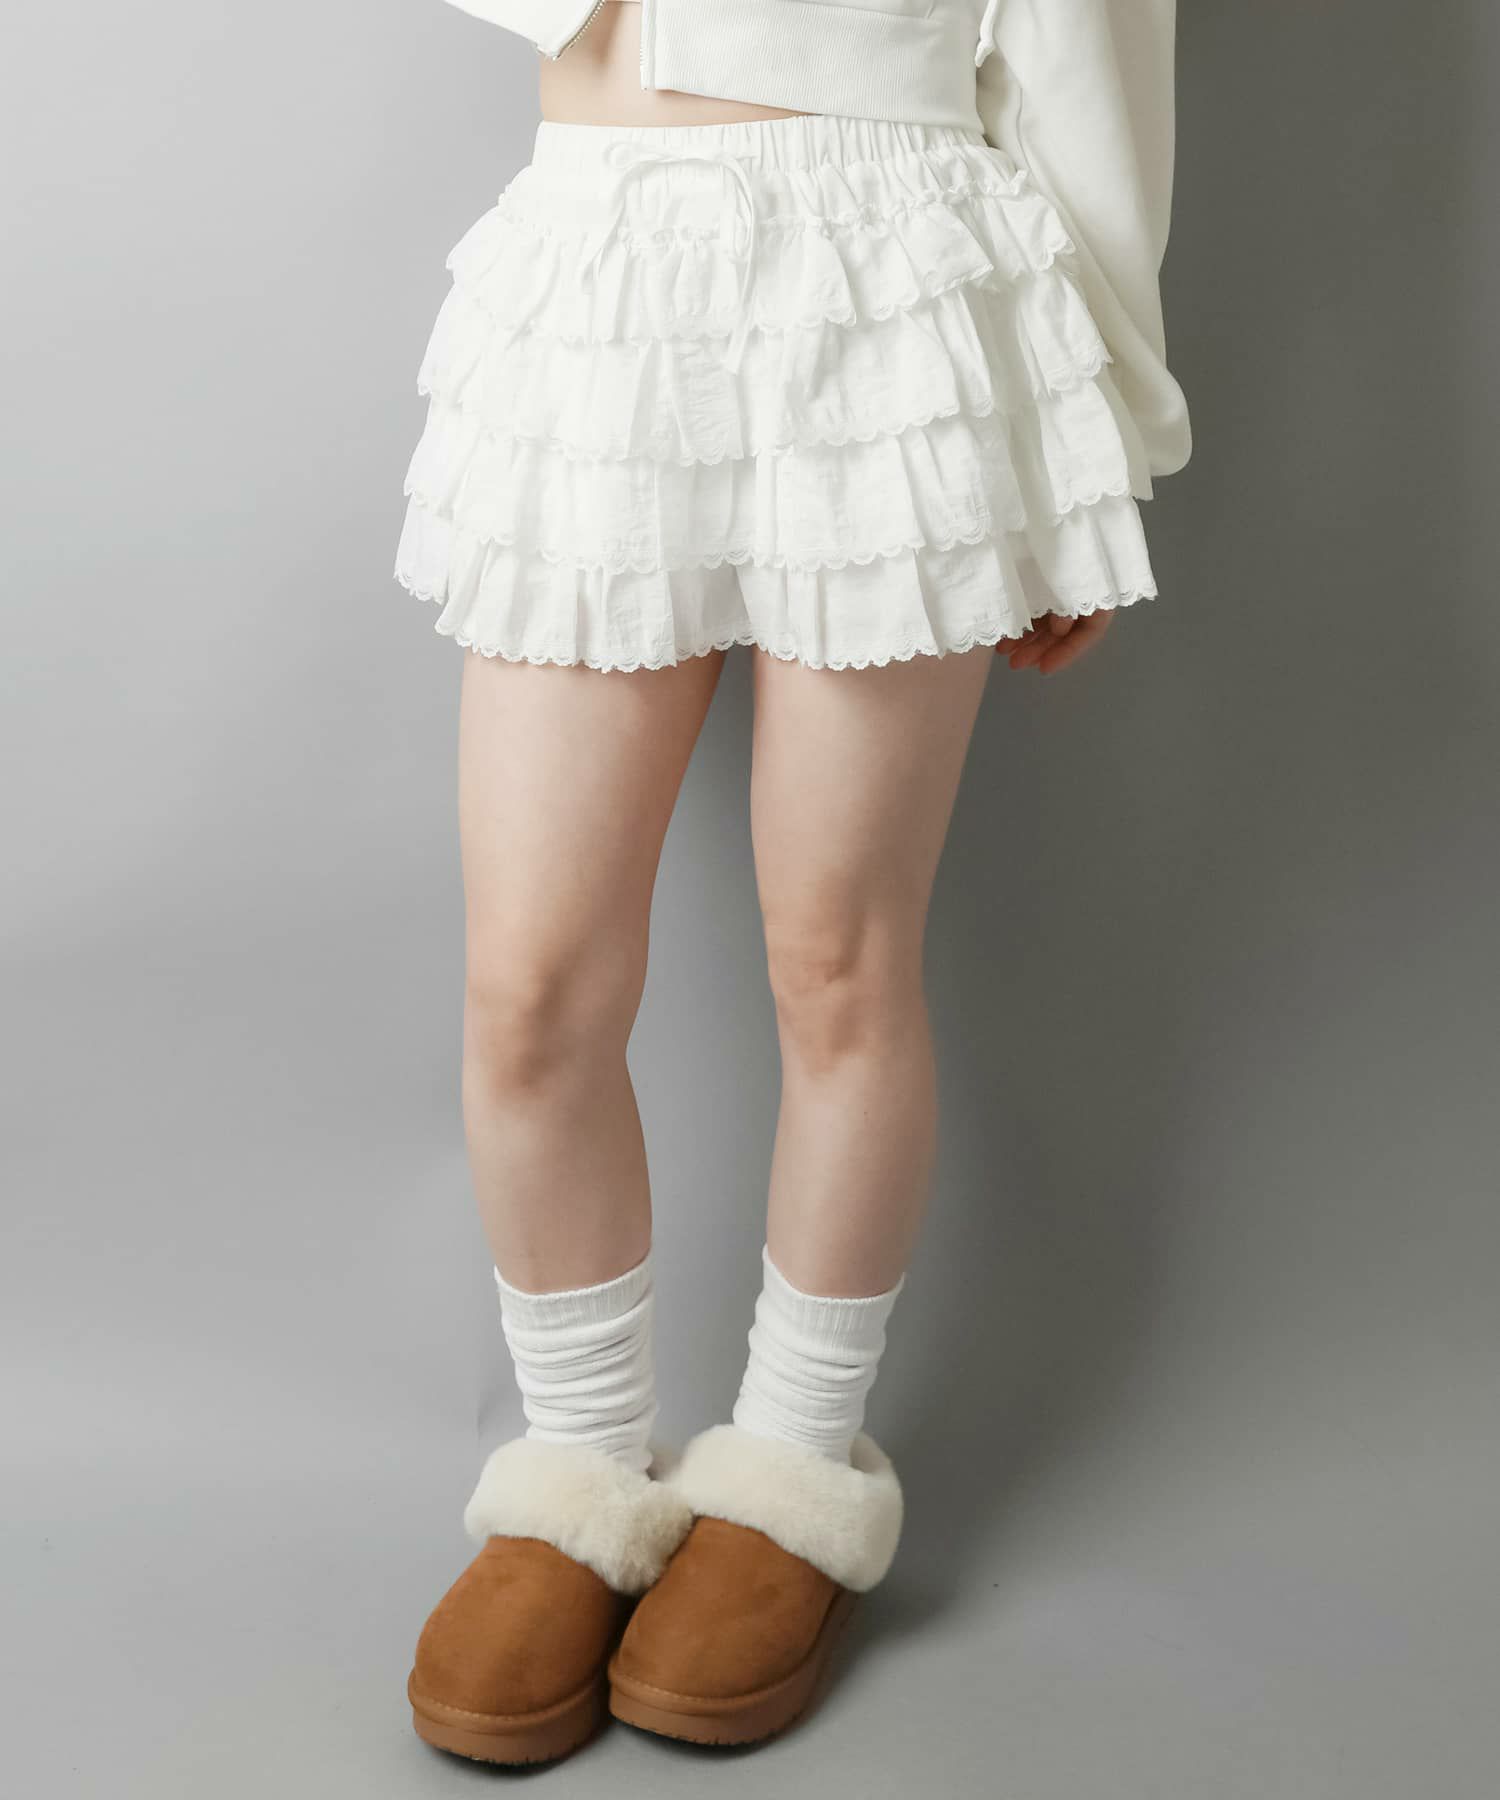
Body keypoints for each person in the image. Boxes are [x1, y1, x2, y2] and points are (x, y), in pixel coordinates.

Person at [396, 0, 1190, 1763]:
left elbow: (1092, 57)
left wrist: (1104, 430)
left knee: (837, 959)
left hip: (890, 275)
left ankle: (790, 1471)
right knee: (530, 988)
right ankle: (577, 1474)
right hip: (597, 268)